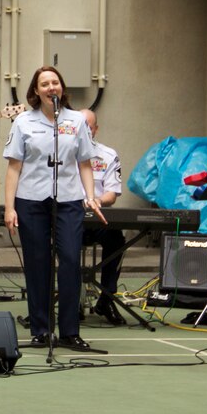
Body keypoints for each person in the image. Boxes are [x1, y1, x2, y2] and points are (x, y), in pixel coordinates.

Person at [2, 66, 105, 351]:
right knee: (38, 264)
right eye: (44, 84)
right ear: (36, 91)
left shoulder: (77, 121)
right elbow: (13, 167)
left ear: (62, 87)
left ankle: (70, 331)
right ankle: (41, 330)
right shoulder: (23, 121)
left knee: (71, 260)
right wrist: (9, 208)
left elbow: (85, 161)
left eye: (55, 82)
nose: (51, 88)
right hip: (31, 200)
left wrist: (91, 196)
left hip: (68, 200)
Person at [80, 109, 126, 326]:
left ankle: (106, 298)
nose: (85, 130)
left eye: (89, 126)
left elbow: (112, 193)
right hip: (68, 219)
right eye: (81, 125)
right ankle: (68, 300)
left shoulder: (108, 155)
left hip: (97, 218)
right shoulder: (59, 154)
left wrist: (97, 201)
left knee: (117, 239)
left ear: (96, 129)